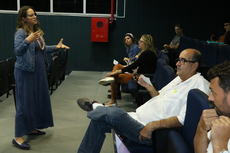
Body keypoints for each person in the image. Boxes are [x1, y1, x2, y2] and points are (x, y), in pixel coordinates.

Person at [76, 48, 210, 153]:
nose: (177, 64)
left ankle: (97, 107)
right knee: (98, 121)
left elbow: (183, 120)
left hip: (152, 133)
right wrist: (148, 86)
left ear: (194, 65)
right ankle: (98, 110)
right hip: (138, 118)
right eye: (178, 59)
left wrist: (152, 126)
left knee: (115, 114)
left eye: (183, 61)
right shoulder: (179, 79)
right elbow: (159, 96)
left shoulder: (199, 86)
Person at [12, 6, 70, 149]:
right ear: (24, 18)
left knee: (36, 101)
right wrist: (27, 40)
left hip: (38, 72)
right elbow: (17, 51)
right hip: (25, 72)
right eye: (31, 15)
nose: (34, 16)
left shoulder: (36, 32)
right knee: (24, 104)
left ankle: (32, 128)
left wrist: (56, 47)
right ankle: (18, 137)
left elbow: (41, 49)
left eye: (35, 14)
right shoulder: (21, 33)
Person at [98, 34, 158, 106]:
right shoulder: (148, 52)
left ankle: (113, 100)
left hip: (140, 78)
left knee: (115, 78)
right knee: (117, 66)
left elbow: (133, 65)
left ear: (146, 43)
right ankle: (110, 79)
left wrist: (116, 72)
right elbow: (138, 65)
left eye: (141, 41)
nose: (138, 42)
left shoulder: (146, 53)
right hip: (138, 75)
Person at [194, 61, 230, 153]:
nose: (210, 98)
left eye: (214, 93)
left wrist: (220, 145)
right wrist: (201, 130)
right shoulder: (223, 117)